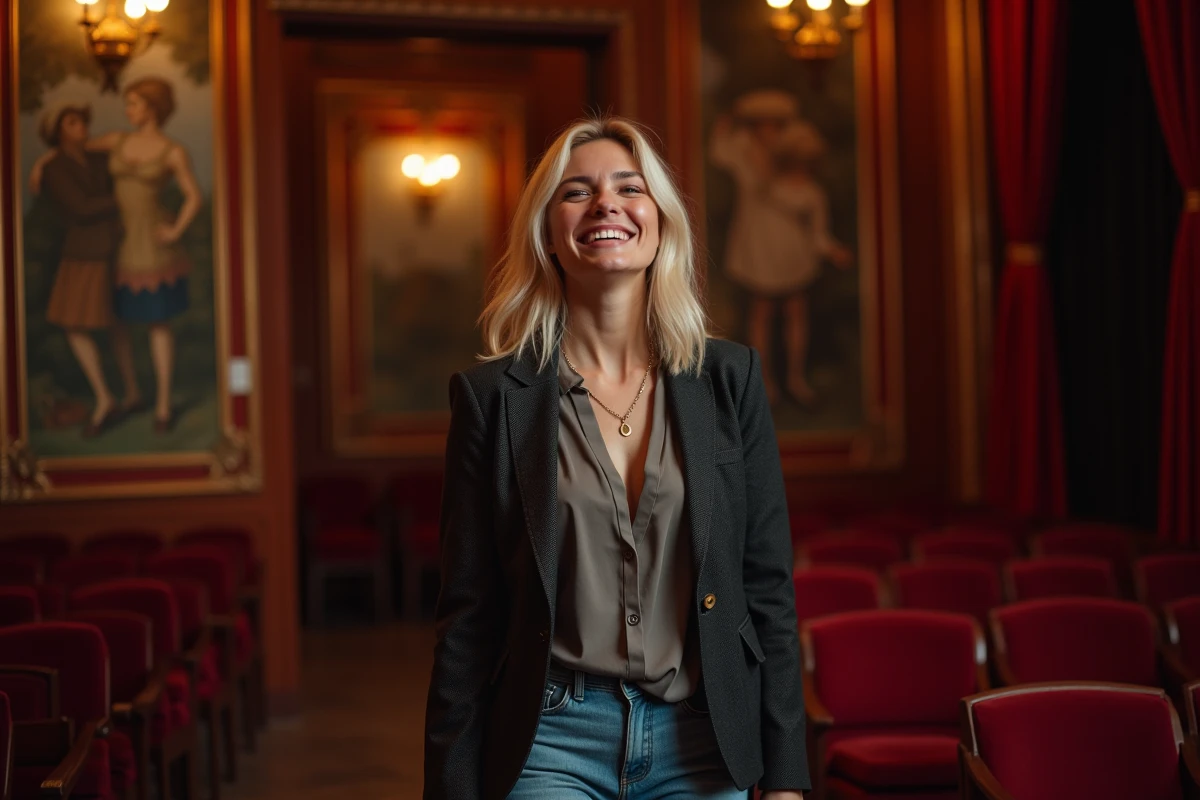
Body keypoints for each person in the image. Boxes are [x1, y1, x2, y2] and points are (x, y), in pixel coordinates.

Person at [423, 116, 808, 800]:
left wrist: (784, 778)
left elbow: (766, 588)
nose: (605, 203)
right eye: (577, 192)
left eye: (629, 187)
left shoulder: (731, 379)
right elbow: (468, 612)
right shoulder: (492, 400)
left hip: (703, 739)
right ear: (548, 231)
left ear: (659, 221)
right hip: (549, 741)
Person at [31, 76, 202, 433]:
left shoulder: (173, 151)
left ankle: (163, 405)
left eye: (135, 104)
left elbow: (193, 196)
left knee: (158, 324)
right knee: (118, 323)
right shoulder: (116, 141)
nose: (128, 110)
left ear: (153, 108)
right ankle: (130, 394)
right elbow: (73, 148)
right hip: (117, 244)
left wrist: (175, 230)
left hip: (153, 245)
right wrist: (41, 162)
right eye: (128, 104)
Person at [710, 90, 852, 405]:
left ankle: (795, 379)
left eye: (775, 124)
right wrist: (727, 122)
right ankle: (767, 382)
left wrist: (831, 249)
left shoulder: (793, 160)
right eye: (762, 124)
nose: (768, 131)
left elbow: (811, 218)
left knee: (794, 311)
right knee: (761, 311)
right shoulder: (742, 152)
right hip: (758, 242)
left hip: (791, 247)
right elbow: (720, 152)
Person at [35, 101, 140, 437]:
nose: (82, 127)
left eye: (82, 121)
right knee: (75, 324)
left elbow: (119, 148)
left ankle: (130, 392)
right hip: (83, 253)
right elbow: (81, 208)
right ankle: (105, 396)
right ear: (59, 132)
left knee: (116, 321)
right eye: (73, 122)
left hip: (111, 248)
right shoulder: (55, 169)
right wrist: (121, 199)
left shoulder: (94, 158)